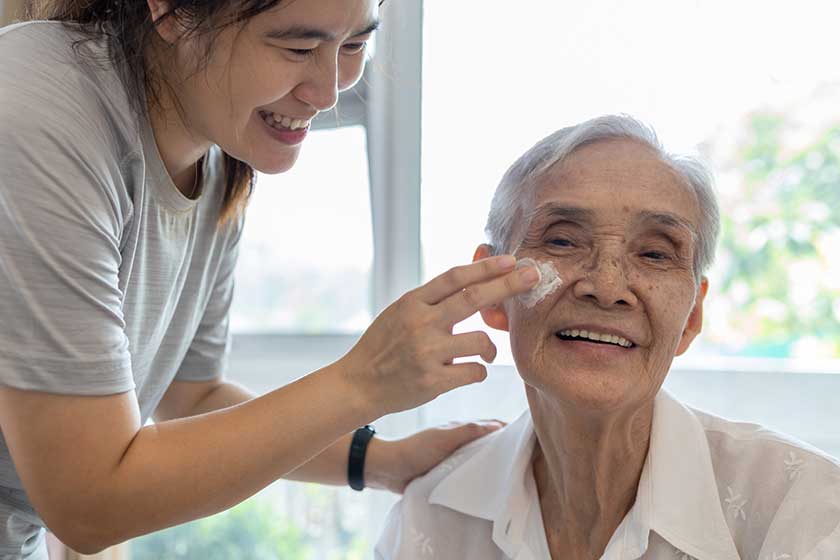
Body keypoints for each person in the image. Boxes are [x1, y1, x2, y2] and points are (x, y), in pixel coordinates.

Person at [0, 1, 543, 557]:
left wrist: (380, 462)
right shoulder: (39, 106)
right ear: (172, 11)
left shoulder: (215, 159)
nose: (330, 92)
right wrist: (362, 383)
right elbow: (89, 502)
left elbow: (191, 395)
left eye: (354, 46)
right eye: (298, 49)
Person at [375, 115, 840, 559]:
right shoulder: (432, 515)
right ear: (492, 292)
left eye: (656, 254)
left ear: (691, 316)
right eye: (562, 241)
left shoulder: (803, 511)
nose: (608, 287)